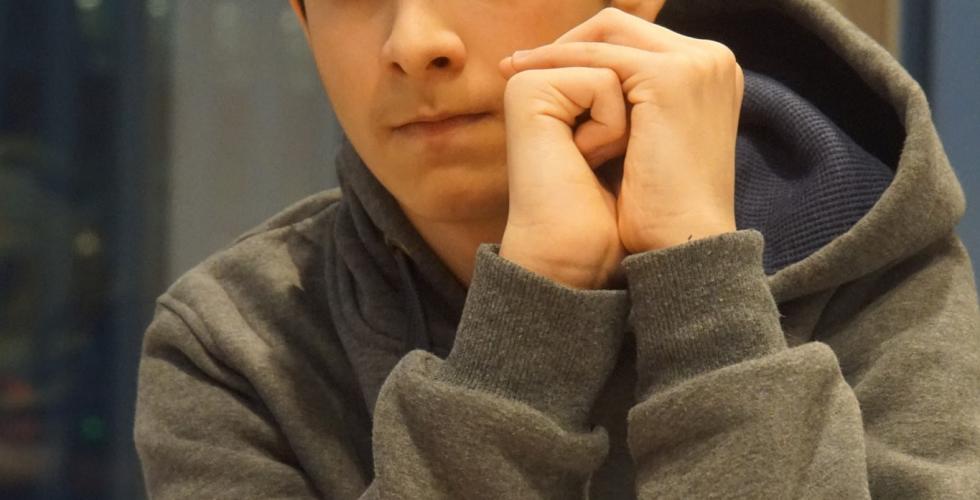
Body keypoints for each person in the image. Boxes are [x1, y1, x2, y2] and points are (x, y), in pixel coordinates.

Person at [133, 0, 980, 498]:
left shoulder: (874, 271)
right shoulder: (240, 343)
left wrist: (704, 293)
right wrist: (531, 322)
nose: (413, 42)